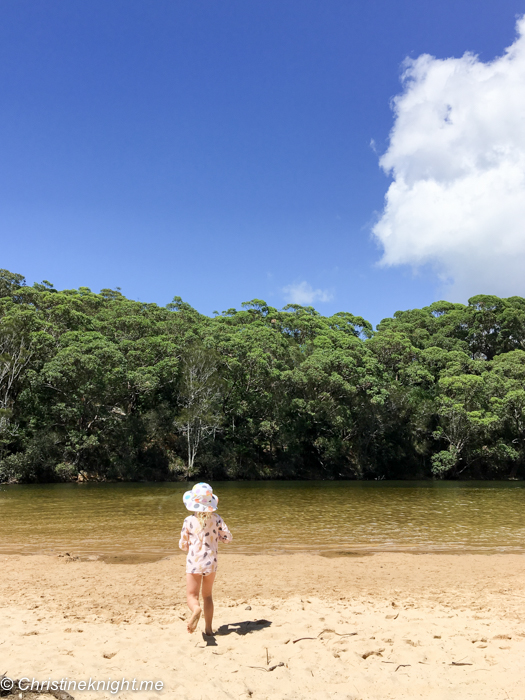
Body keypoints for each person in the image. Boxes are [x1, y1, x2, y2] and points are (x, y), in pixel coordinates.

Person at [178, 482, 232, 635]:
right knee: (207, 595)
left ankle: (196, 609)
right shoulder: (217, 519)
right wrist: (218, 538)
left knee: (192, 595)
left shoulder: (189, 521)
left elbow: (183, 544)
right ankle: (208, 628)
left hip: (194, 562)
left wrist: (190, 546)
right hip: (211, 562)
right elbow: (227, 538)